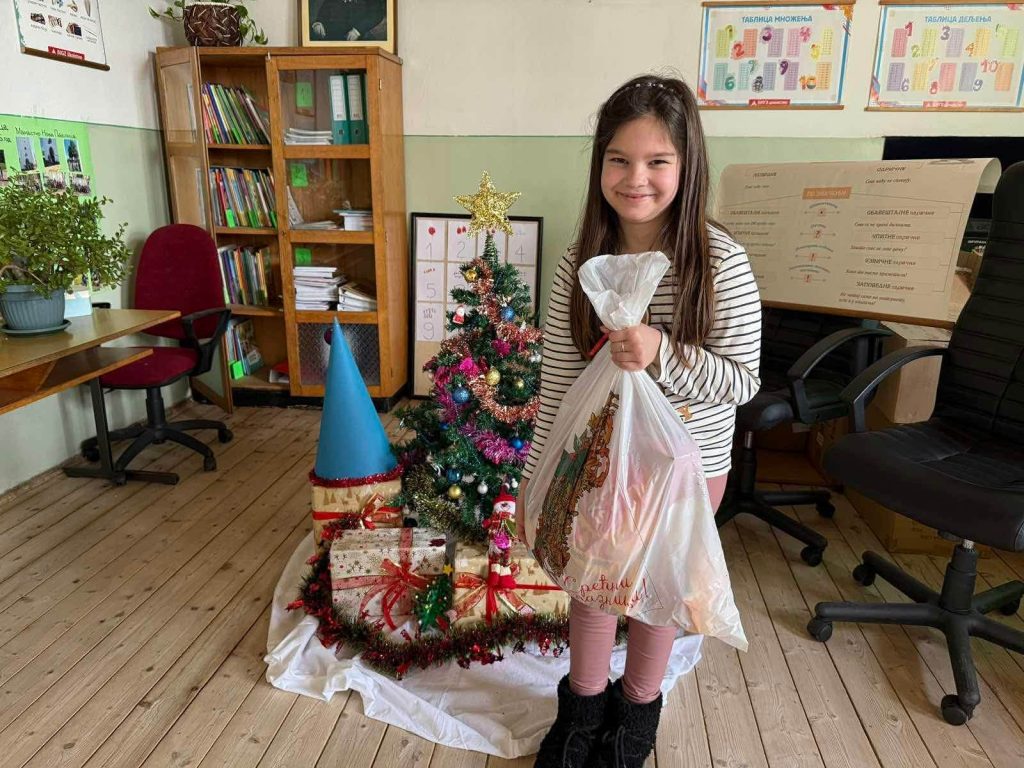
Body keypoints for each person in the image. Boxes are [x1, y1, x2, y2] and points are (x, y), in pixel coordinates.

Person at [519, 75, 762, 768]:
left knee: (658, 594)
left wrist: (663, 353)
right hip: (599, 461)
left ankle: (636, 719)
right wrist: (536, 478)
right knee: (594, 587)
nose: (636, 179)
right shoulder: (581, 264)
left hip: (687, 469)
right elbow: (559, 383)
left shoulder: (719, 263)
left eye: (658, 161)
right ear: (599, 164)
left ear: (688, 166)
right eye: (619, 160)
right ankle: (581, 713)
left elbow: (741, 381)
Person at [310, 0, 386, 42]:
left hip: (359, 39)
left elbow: (377, 14)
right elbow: (325, 11)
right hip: (332, 38)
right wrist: (318, 23)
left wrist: (357, 31)